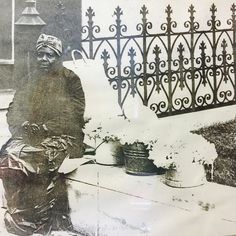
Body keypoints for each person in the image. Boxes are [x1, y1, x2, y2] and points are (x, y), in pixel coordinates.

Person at [0, 34, 85, 235]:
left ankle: (39, 220)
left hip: (64, 137)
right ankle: (20, 217)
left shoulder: (70, 80)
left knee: (32, 158)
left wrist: (47, 128)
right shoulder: (30, 80)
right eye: (40, 55)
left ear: (58, 57)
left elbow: (74, 114)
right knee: (7, 156)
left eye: (49, 55)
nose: (44, 59)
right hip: (31, 136)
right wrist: (23, 125)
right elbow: (15, 108)